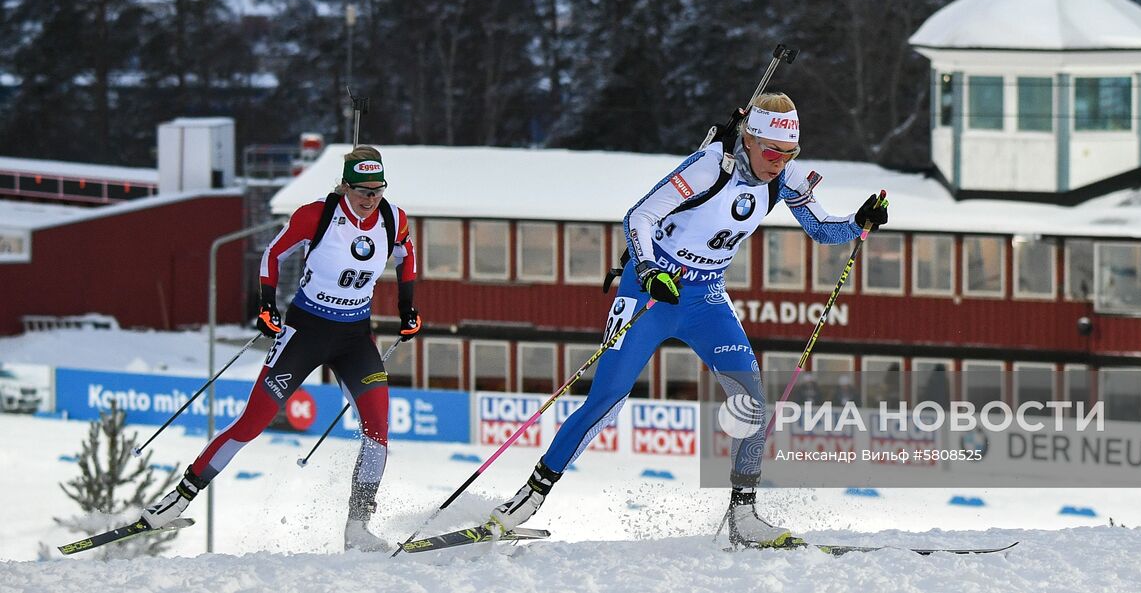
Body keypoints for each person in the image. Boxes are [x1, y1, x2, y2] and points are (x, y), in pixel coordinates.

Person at [483, 93, 887, 549]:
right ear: (749, 139)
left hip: (706, 297)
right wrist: (651, 270)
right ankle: (529, 498)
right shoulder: (708, 167)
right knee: (608, 397)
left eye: (789, 153)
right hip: (653, 291)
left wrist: (859, 221)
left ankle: (744, 514)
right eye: (771, 152)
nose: (779, 162)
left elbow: (821, 229)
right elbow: (640, 215)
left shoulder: (785, 178)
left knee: (750, 398)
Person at [140, 145, 422, 552]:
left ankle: (357, 528)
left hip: (354, 337)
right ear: (345, 186)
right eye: (361, 190)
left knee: (378, 430)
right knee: (252, 423)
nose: (370, 199)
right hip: (306, 331)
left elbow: (406, 257)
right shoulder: (316, 215)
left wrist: (407, 307)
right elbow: (273, 254)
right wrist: (266, 305)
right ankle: (178, 498)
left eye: (377, 190)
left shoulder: (393, 219)